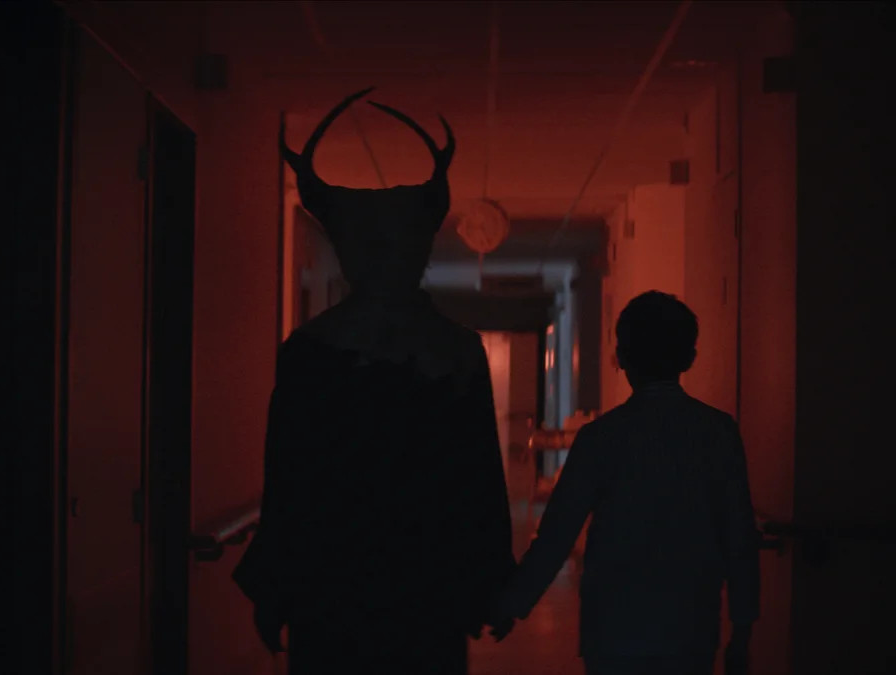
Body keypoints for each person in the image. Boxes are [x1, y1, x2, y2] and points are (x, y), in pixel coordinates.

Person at [232, 88, 514, 675]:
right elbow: (478, 478)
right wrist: (489, 581)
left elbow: (289, 481)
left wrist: (276, 587)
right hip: (425, 586)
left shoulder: (310, 350)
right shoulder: (455, 351)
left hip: (332, 588)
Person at [490, 291, 761, 675]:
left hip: (613, 630)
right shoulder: (719, 434)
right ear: (690, 358)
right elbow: (739, 537)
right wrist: (743, 630)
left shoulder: (600, 438)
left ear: (622, 357)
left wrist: (512, 604)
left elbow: (557, 535)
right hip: (690, 630)